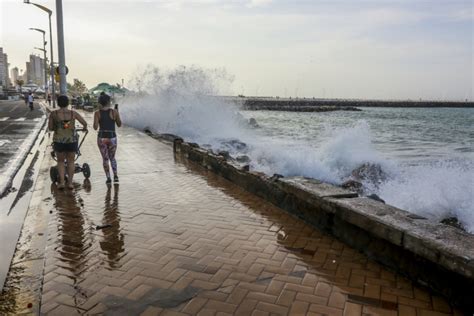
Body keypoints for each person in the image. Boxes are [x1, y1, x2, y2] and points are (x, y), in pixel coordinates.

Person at [48, 95, 88, 189]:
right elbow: (84, 123)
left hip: (59, 141)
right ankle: (70, 183)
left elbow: (50, 128)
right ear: (68, 103)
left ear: (58, 103)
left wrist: (57, 127)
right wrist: (84, 128)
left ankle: (61, 183)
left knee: (60, 162)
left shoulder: (54, 114)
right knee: (71, 162)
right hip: (72, 141)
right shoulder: (73, 113)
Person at [93, 93, 121, 184]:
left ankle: (108, 178)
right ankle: (116, 176)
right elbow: (119, 124)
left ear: (100, 102)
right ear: (109, 102)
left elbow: (95, 127)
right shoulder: (114, 112)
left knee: (105, 159)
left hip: (101, 138)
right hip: (112, 138)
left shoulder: (97, 113)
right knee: (112, 158)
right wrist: (117, 114)